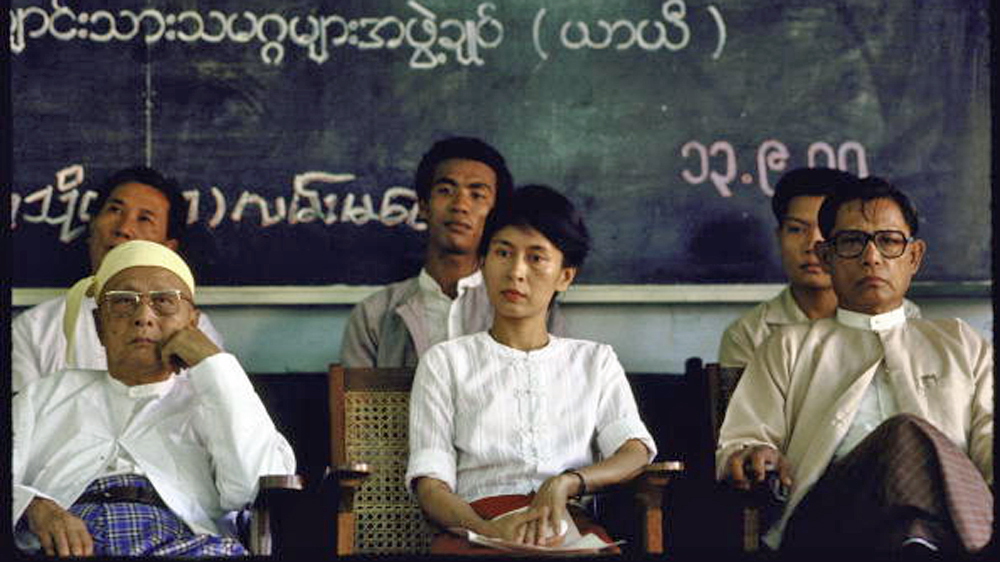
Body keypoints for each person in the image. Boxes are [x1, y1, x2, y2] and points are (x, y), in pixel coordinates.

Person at [716, 177, 992, 553]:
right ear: (827, 257)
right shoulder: (787, 346)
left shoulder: (960, 343)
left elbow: (989, 438)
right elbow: (745, 441)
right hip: (829, 523)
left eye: (889, 241)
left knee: (912, 530)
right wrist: (754, 454)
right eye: (851, 242)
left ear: (914, 257)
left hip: (944, 524)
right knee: (904, 433)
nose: (872, 257)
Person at [405, 185, 656, 553]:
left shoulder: (594, 361)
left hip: (566, 525)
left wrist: (567, 483)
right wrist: (487, 530)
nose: (516, 272)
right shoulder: (445, 362)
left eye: (536, 258)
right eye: (503, 253)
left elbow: (634, 451)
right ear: (483, 262)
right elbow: (430, 485)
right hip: (476, 527)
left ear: (565, 276)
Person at [13, 240, 296, 557]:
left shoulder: (213, 399)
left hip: (184, 545)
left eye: (164, 301)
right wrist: (34, 506)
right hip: (63, 547)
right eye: (123, 302)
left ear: (192, 322)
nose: (143, 316)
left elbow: (252, 487)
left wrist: (214, 365)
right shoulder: (45, 395)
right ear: (99, 326)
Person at [340, 137, 564, 368]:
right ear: (424, 206)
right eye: (445, 190)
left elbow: (550, 395)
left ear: (497, 214)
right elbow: (354, 402)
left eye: (477, 195)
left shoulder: (533, 306)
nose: (460, 205)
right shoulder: (374, 315)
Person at [12, 166, 224, 393]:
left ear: (167, 248)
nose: (123, 229)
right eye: (114, 210)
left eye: (144, 218)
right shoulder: (34, 329)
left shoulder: (193, 330)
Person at [717, 168, 920, 368]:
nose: (811, 244)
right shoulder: (748, 334)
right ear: (779, 237)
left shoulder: (902, 316)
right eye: (796, 229)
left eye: (824, 230)